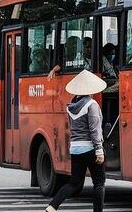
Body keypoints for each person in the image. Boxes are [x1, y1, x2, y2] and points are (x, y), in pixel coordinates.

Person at [46, 70, 107, 212]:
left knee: (74, 183)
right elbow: (95, 130)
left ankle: (52, 206)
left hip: (75, 148)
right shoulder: (92, 105)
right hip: (90, 149)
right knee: (99, 183)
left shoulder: (71, 108)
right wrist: (99, 150)